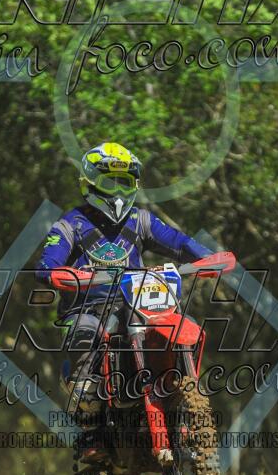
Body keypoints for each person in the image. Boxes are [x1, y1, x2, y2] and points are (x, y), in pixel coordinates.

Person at [36, 141, 213, 411]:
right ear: (91, 183)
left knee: (184, 322)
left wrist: (208, 257)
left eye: (125, 182)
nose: (118, 192)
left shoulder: (141, 220)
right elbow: (47, 264)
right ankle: (86, 396)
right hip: (89, 308)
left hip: (137, 303)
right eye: (110, 182)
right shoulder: (70, 224)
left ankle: (184, 385)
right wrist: (58, 274)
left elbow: (179, 242)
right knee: (85, 329)